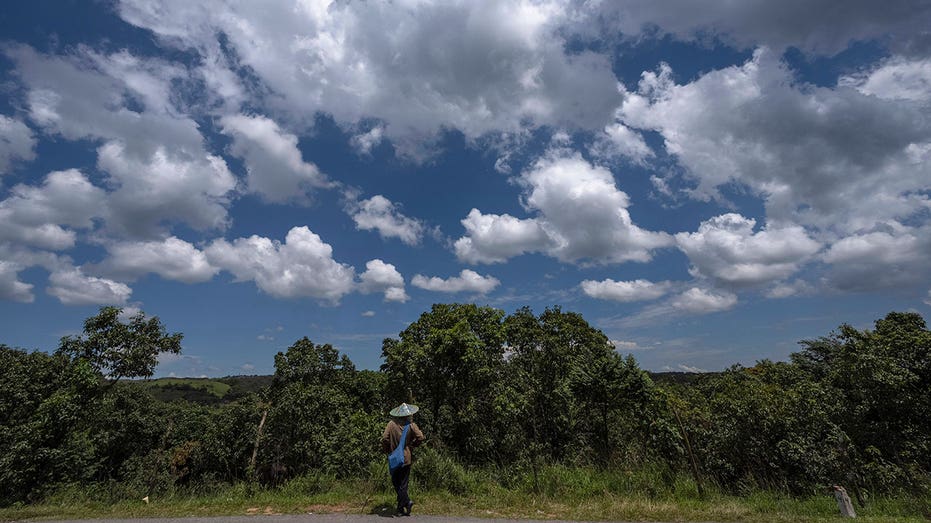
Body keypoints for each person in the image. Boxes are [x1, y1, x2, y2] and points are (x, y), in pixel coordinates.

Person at [381, 402, 425, 516]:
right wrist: (413, 445)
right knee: (403, 484)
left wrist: (387, 450)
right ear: (408, 414)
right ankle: (405, 503)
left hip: (394, 458)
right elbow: (421, 437)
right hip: (406, 458)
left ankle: (401, 508)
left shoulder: (391, 424)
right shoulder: (411, 425)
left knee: (396, 483)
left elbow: (384, 438)